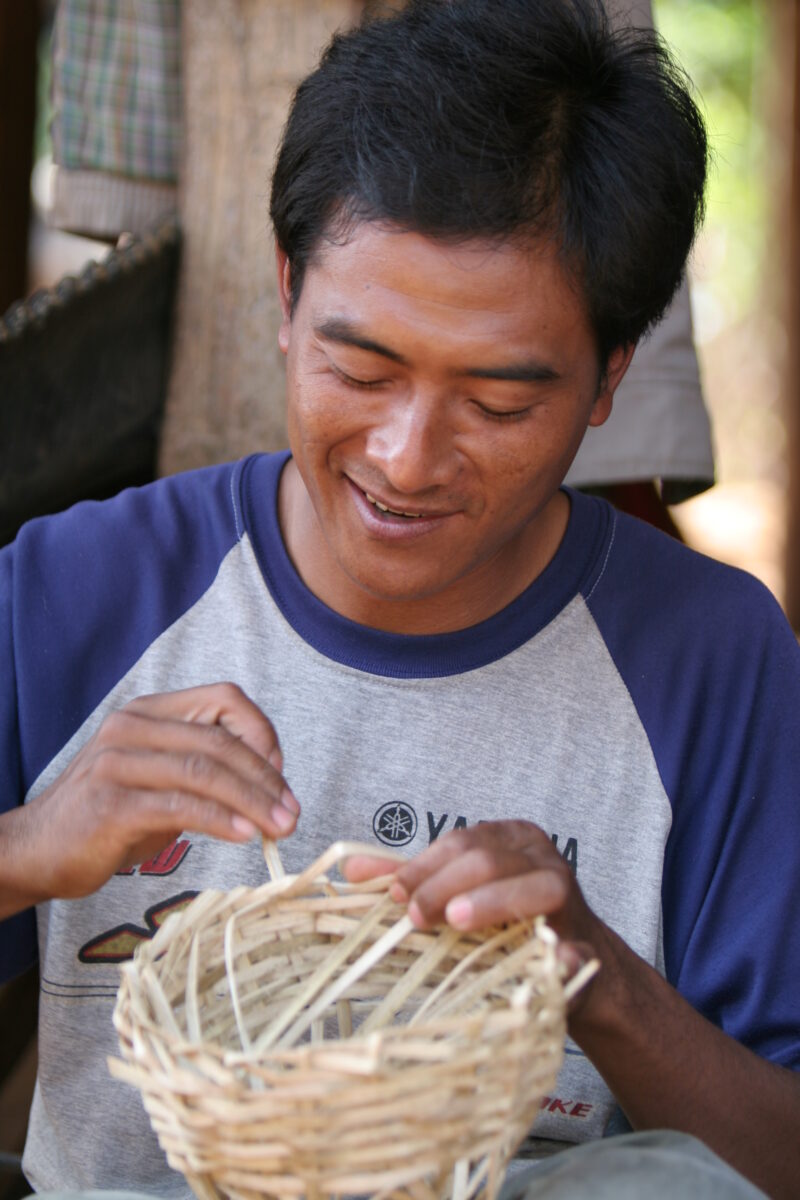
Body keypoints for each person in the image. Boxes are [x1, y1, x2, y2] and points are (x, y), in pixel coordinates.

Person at [0, 1, 797, 1198]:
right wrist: (24, 852)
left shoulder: (712, 660)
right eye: (358, 368)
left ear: (606, 380)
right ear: (283, 294)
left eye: (498, 403)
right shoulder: (78, 591)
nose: (407, 457)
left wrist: (596, 972)